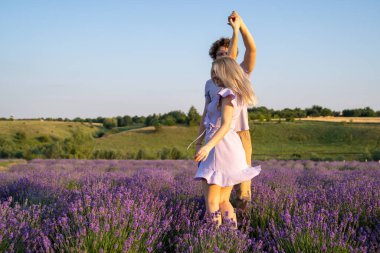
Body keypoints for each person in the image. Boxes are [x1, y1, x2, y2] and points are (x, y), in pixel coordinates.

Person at [195, 11, 257, 210]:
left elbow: (250, 50)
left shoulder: (239, 75)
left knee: (241, 192)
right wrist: (200, 141)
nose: (224, 57)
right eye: (220, 55)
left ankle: (238, 227)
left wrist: (239, 28)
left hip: (237, 135)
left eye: (228, 53)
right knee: (222, 197)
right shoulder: (209, 84)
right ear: (214, 59)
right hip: (215, 136)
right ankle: (232, 232)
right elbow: (205, 114)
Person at [194, 56, 261, 228]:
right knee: (223, 200)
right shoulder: (235, 93)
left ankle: (215, 240)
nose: (214, 77)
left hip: (219, 149)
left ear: (227, 73)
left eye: (217, 73)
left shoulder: (226, 94)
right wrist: (200, 142)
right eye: (213, 73)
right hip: (231, 147)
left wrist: (207, 146)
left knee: (211, 201)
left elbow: (224, 126)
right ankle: (231, 240)